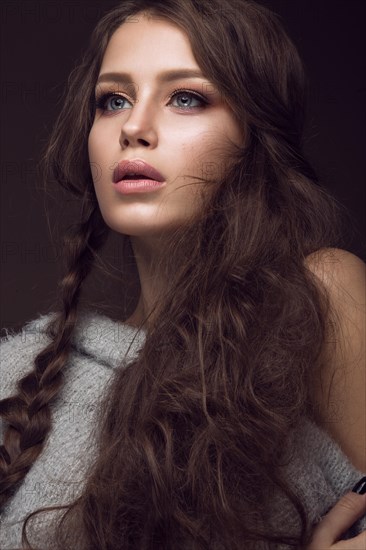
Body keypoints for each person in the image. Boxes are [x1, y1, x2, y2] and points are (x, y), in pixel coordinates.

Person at [0, 0, 365, 548]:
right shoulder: (26, 372)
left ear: (252, 137)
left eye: (186, 98)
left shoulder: (318, 294)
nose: (135, 127)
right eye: (113, 100)